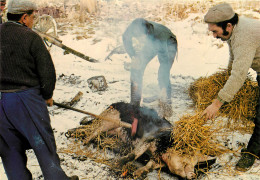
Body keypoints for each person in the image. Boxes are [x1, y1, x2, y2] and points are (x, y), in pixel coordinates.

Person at [0, 0, 79, 179]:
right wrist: (47, 95)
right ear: (25, 17)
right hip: (25, 100)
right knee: (43, 143)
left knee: (9, 148)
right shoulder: (31, 37)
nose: (34, 21)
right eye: (33, 17)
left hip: (0, 104)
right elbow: (47, 71)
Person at [202, 3, 260, 172]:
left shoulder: (244, 35)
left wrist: (217, 104)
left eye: (215, 31)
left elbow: (239, 74)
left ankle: (253, 153)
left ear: (228, 25)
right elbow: (234, 59)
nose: (214, 36)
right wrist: (225, 77)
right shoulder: (234, 29)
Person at [122, 18, 178, 118]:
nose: (139, 40)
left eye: (141, 37)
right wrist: (133, 56)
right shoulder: (133, 28)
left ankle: (166, 104)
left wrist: (164, 87)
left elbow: (165, 63)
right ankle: (135, 103)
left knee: (162, 74)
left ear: (147, 32)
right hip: (150, 43)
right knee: (136, 68)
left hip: (168, 42)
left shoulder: (160, 35)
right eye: (138, 37)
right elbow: (125, 38)